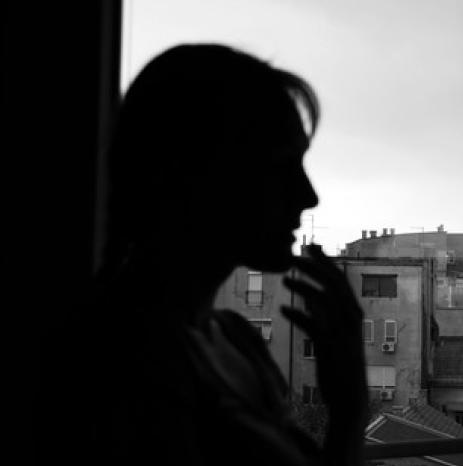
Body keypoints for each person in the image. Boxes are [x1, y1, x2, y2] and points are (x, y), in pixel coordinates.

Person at [90, 43, 368, 466]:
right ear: (192, 172)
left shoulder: (237, 340)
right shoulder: (123, 364)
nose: (308, 195)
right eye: (280, 165)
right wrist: (350, 409)